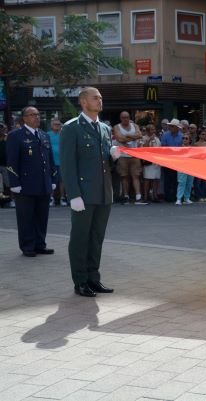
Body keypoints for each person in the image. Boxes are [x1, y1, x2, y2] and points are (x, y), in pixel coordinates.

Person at [59, 87, 119, 297]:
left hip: (103, 192)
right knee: (80, 238)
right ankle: (80, 281)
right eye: (95, 98)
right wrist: (74, 194)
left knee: (97, 238)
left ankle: (94, 278)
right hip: (83, 194)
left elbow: (105, 165)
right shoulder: (71, 128)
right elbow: (67, 165)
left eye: (101, 98)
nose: (100, 101)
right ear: (84, 102)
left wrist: (113, 157)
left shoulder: (104, 128)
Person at [6, 106, 57, 257]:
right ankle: (27, 246)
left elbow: (50, 160)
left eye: (38, 114)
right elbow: (11, 161)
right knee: (26, 217)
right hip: (25, 184)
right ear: (24, 118)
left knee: (42, 216)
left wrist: (53, 178)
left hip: (43, 183)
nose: (37, 117)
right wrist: (14, 183)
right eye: (32, 115)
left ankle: (40, 244)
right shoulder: (16, 135)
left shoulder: (43, 135)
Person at [113, 111, 146, 205]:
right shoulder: (117, 127)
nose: (126, 119)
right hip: (122, 155)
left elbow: (140, 135)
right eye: (124, 117)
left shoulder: (134, 126)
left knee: (136, 175)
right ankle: (126, 196)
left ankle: (138, 197)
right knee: (124, 177)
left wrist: (127, 136)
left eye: (127, 117)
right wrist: (133, 137)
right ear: (121, 118)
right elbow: (120, 139)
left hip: (134, 155)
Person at [160, 119, 183, 202]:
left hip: (178, 161)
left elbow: (183, 148)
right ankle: (167, 196)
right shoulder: (165, 135)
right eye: (170, 126)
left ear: (177, 127)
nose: (170, 127)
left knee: (176, 179)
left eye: (172, 126)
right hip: (168, 160)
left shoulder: (181, 136)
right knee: (167, 179)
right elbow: (163, 148)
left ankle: (175, 196)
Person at [47, 118, 67, 206]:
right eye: (55, 124)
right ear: (51, 126)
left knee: (62, 181)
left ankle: (62, 198)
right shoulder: (47, 135)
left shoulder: (64, 134)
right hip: (51, 162)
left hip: (63, 162)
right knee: (51, 181)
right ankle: (51, 199)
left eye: (58, 124)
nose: (57, 126)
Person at [141, 124, 161, 202]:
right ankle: (145, 197)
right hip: (148, 161)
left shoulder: (157, 139)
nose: (154, 131)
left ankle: (155, 196)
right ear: (148, 131)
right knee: (147, 179)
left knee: (156, 179)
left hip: (156, 161)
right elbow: (142, 149)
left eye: (154, 129)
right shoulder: (143, 138)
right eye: (152, 129)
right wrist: (149, 140)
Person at [176, 134, 195, 205]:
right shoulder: (179, 148)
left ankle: (186, 198)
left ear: (189, 140)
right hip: (181, 167)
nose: (184, 139)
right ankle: (178, 199)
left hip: (190, 167)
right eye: (183, 138)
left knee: (189, 183)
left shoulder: (192, 149)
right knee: (181, 183)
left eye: (186, 138)